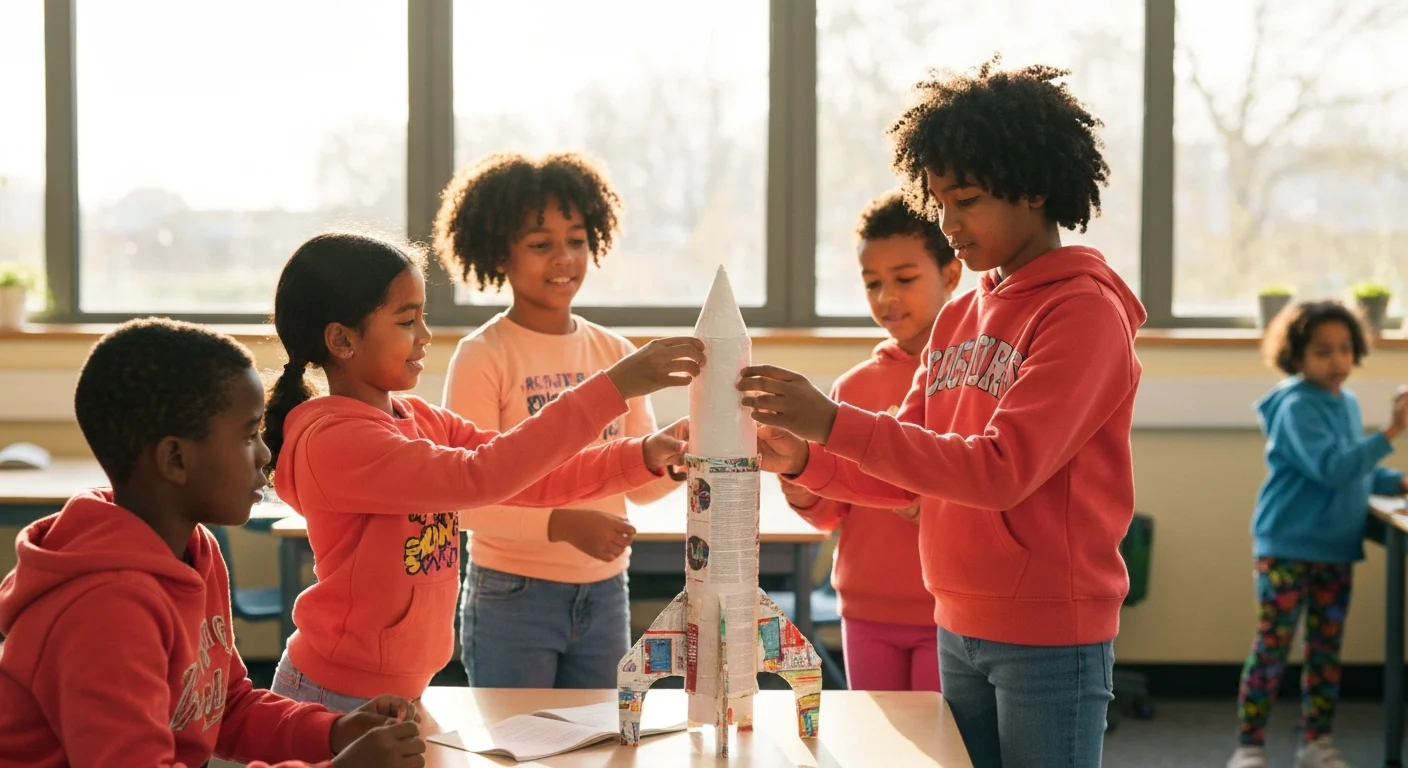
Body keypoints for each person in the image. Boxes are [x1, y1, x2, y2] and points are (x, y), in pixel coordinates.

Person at [736, 56, 1143, 768]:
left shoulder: (1083, 313)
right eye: (940, 202)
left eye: (969, 200)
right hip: (956, 616)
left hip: (1050, 632)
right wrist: (805, 458)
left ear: (1036, 188)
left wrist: (829, 421)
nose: (948, 223)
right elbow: (907, 470)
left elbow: (999, 471)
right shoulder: (961, 316)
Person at [262, 232, 703, 708]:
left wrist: (642, 456)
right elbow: (482, 477)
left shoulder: (421, 420)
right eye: (408, 321)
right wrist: (611, 389)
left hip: (396, 692)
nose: (426, 335)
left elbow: (528, 472)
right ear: (342, 339)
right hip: (333, 695)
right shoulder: (336, 441)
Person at [0, 318, 424, 768]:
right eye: (247, 435)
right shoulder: (107, 611)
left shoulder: (194, 550)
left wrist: (333, 731)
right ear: (176, 459)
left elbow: (224, 706)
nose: (264, 453)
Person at [434, 152, 681, 688]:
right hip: (511, 594)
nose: (564, 258)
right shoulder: (484, 356)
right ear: (500, 254)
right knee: (519, 745)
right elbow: (464, 499)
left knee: (598, 743)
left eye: (576, 240)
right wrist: (561, 524)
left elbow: (638, 485)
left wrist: (675, 462)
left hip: (606, 592)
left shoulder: (616, 351)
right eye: (540, 244)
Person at [779, 189, 960, 692]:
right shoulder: (851, 388)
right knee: (877, 744)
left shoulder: (969, 379)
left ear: (950, 274)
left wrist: (933, 501)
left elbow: (988, 476)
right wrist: (799, 483)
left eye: (904, 279)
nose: (886, 298)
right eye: (872, 283)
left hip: (946, 611)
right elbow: (829, 512)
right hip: (864, 608)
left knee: (938, 746)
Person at [1227, 300, 1408, 768]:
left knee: (1325, 651)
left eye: (1346, 349)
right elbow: (1331, 468)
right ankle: (1250, 744)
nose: (1339, 361)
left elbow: (1355, 470)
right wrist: (1392, 430)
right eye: (1324, 351)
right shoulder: (1296, 406)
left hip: (1334, 549)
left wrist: (1397, 481)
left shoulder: (1344, 403)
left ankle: (1316, 742)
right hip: (1287, 547)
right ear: (1298, 355)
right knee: (1273, 647)